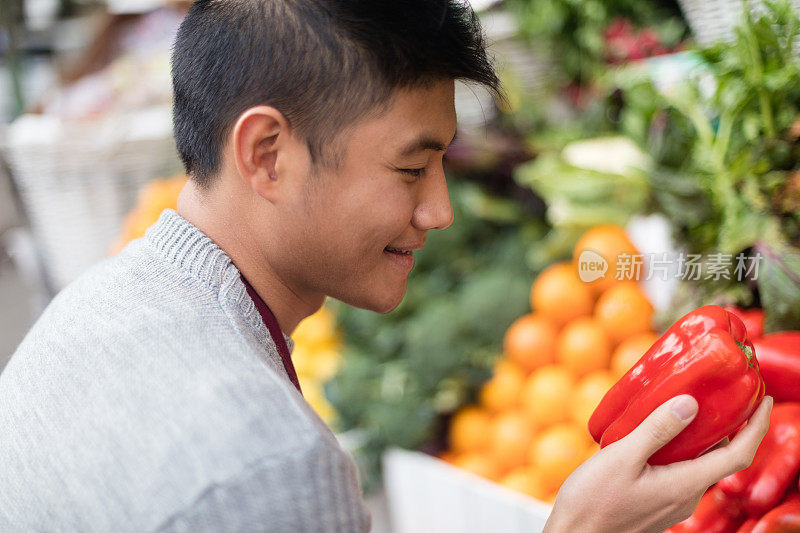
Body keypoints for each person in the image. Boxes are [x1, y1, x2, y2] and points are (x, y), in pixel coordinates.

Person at [0, 0, 772, 531]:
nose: (439, 210)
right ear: (266, 154)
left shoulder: (85, 310)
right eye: (411, 169)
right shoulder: (269, 468)